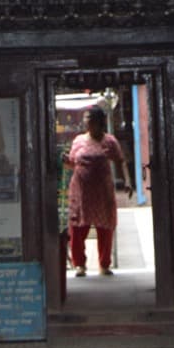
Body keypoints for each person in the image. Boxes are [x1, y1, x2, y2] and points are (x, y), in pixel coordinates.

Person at [64, 107, 130, 276]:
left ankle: (104, 264)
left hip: (102, 192)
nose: (86, 122)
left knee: (105, 227)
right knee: (77, 228)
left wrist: (128, 181)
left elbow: (120, 161)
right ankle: (79, 264)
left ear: (99, 122)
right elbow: (72, 163)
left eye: (89, 119)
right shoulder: (78, 140)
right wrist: (65, 161)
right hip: (80, 193)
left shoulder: (109, 141)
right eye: (85, 119)